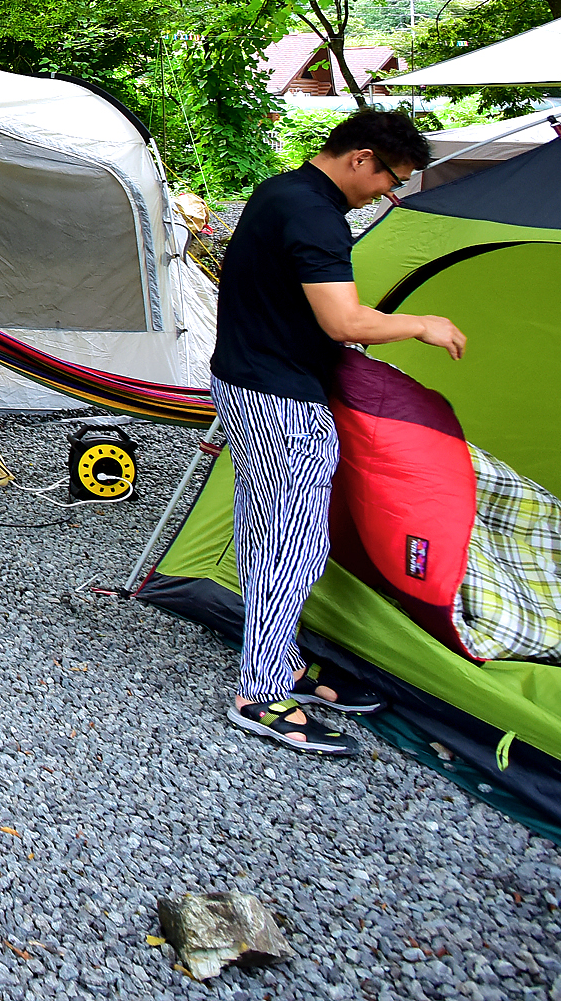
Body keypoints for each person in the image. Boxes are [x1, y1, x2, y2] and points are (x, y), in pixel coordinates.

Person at [209, 107, 467, 756]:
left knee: (263, 524)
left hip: (243, 383)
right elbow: (344, 322)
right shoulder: (315, 214)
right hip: (281, 400)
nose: (390, 193)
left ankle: (284, 662)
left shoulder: (281, 193)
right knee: (293, 543)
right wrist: (422, 324)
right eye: (390, 179)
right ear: (361, 158)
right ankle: (262, 691)